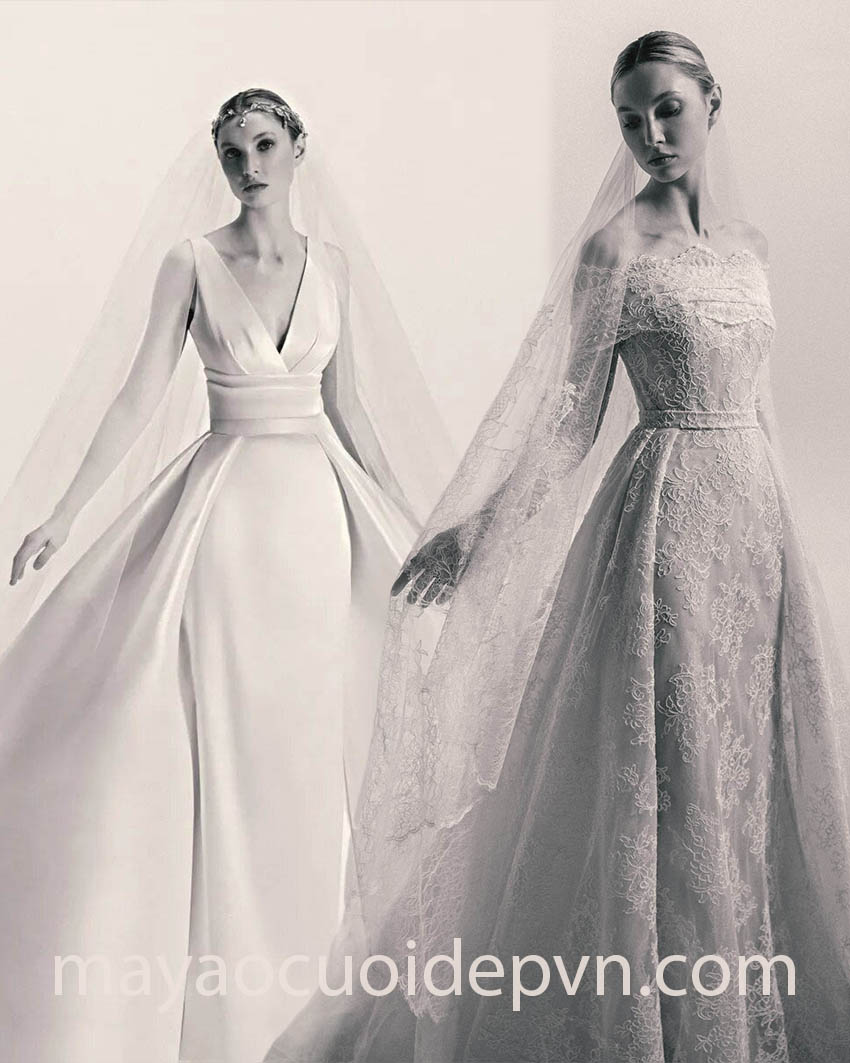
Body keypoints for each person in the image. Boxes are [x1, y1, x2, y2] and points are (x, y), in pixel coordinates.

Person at [265, 32, 850, 1063]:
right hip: (664, 529)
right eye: (629, 119)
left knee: (753, 764)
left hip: (755, 532)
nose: (650, 134)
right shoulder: (612, 251)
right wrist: (477, 529)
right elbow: (570, 420)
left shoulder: (750, 248)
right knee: (672, 772)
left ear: (711, 102)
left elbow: (756, 403)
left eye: (667, 108)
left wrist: (788, 544)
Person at [0, 89, 452, 1062]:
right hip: (229, 522)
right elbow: (136, 397)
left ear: (298, 149)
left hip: (315, 519)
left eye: (265, 145)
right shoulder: (191, 262)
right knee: (228, 737)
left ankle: (308, 994)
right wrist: (64, 514)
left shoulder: (332, 267)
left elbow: (352, 412)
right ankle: (227, 1000)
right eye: (233, 151)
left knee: (313, 738)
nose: (250, 165)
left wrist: (419, 527)